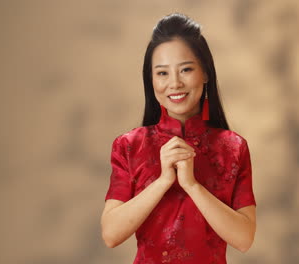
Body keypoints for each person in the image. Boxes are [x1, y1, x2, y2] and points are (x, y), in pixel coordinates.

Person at [101, 13, 256, 264]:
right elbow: (110, 234)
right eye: (162, 73)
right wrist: (163, 181)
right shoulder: (129, 146)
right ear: (150, 80)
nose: (174, 83)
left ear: (205, 72)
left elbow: (244, 238)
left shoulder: (233, 148)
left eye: (185, 69)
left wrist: (192, 186)